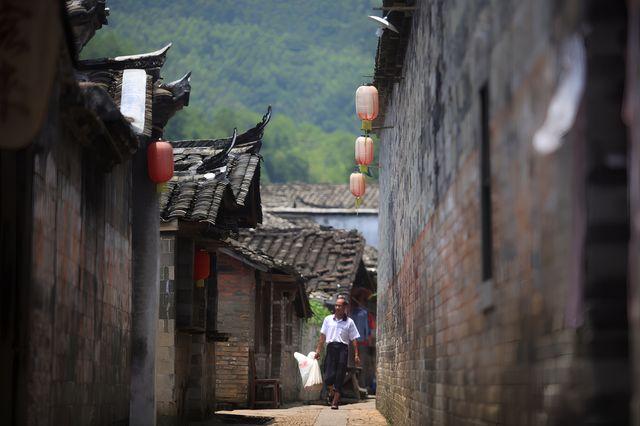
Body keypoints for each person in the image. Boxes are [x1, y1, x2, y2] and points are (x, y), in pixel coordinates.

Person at [314, 295, 360, 409]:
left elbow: (354, 339)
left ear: (345, 307)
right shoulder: (328, 319)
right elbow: (322, 336)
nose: (337, 307)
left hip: (342, 350)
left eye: (340, 305)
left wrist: (356, 355)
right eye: (336, 305)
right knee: (329, 376)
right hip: (331, 348)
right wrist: (318, 350)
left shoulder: (349, 322)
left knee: (340, 374)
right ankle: (332, 391)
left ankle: (335, 402)